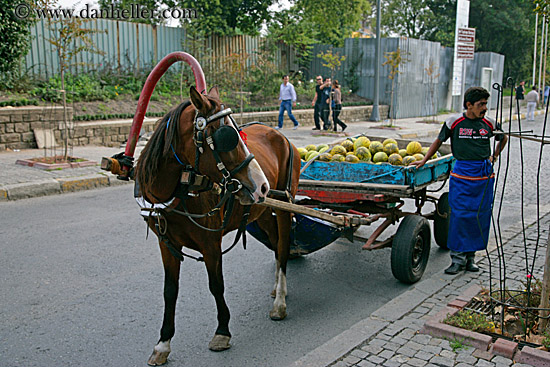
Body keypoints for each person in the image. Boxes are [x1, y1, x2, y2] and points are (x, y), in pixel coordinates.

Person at [411, 87, 508, 275]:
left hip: (483, 176)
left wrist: (494, 156)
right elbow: (438, 141)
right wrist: (424, 160)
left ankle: (471, 258)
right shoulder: (454, 122)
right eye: (481, 104)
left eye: (486, 104)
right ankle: (457, 259)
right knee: (459, 216)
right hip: (462, 175)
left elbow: (503, 138)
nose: (485, 108)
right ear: (468, 105)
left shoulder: (489, 123)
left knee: (478, 216)